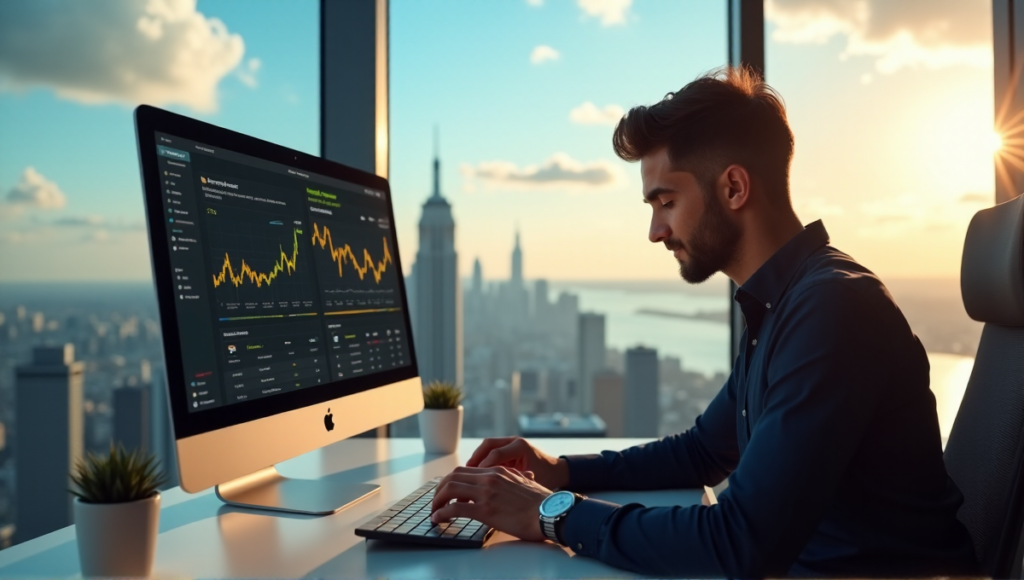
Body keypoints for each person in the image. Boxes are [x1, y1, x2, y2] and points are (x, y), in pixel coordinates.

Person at [427, 66, 980, 577]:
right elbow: (702, 451)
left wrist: (550, 514)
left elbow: (740, 542)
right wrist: (559, 471)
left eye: (665, 201)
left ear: (734, 188)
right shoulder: (780, 302)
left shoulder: (833, 310)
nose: (655, 231)